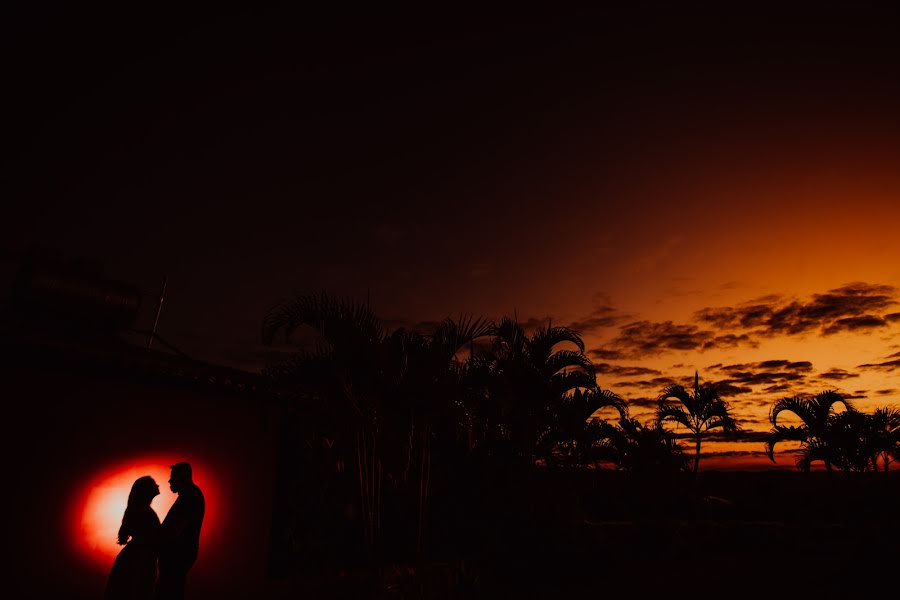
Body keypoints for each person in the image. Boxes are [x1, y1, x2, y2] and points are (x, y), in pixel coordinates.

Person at [104, 476, 161, 600]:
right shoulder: (143, 512)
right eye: (153, 484)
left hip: (138, 557)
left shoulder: (142, 510)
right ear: (145, 490)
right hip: (139, 559)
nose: (158, 486)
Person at [156, 462, 205, 600]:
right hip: (178, 553)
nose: (170, 481)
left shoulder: (190, 497)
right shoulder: (189, 495)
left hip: (176, 554)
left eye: (174, 477)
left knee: (168, 591)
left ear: (183, 478)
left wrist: (161, 542)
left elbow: (177, 529)